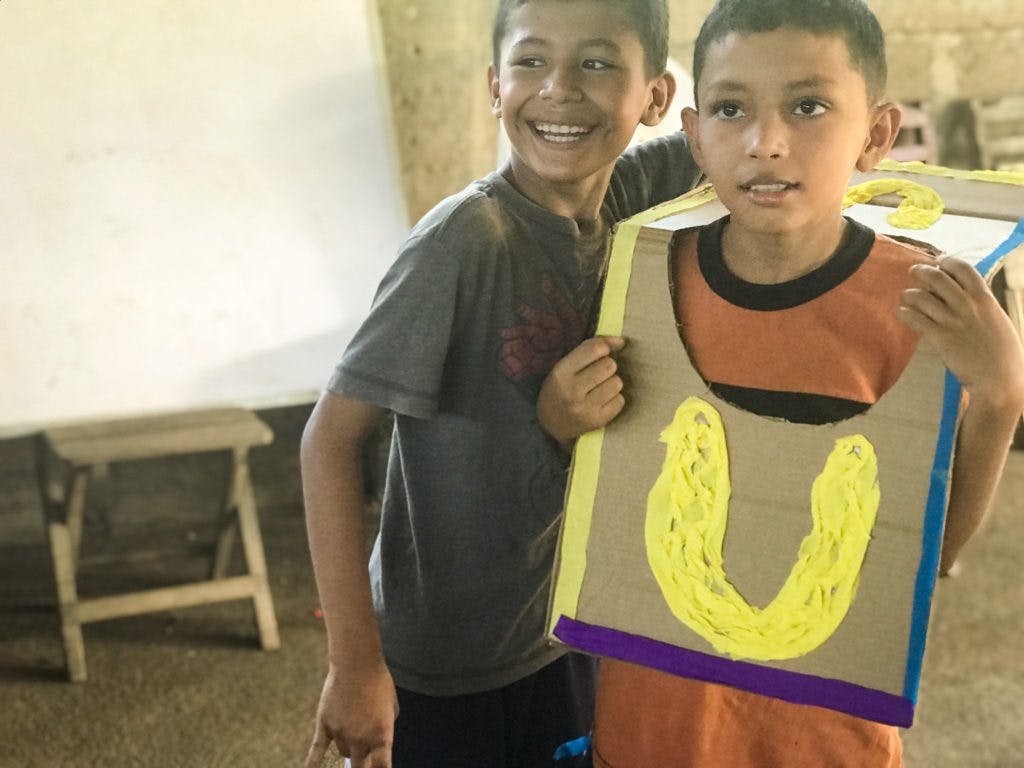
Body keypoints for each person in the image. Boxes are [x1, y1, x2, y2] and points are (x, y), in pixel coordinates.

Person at [585, 1, 1024, 766]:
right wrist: (563, 414)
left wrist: (1001, 396)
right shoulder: (642, 279)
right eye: (731, 109)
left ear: (876, 136)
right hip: (652, 725)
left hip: (820, 739)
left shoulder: (919, 305)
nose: (766, 142)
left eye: (808, 107)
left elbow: (928, 557)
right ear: (695, 136)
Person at [300, 0, 703, 765]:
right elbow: (328, 443)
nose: (559, 88)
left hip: (560, 632)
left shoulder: (625, 200)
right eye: (531, 61)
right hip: (441, 667)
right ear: (495, 86)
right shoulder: (460, 244)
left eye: (596, 63)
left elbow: (737, 134)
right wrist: (353, 667)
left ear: (655, 97)